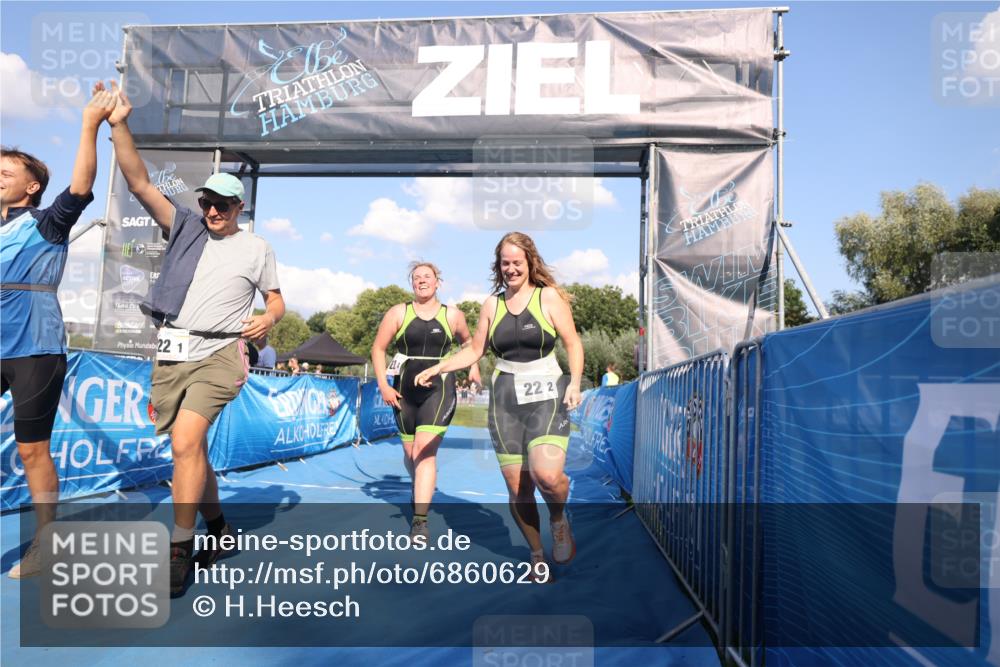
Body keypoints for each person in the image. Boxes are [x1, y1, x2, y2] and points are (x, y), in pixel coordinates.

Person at [102, 81, 284, 596]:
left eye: (222, 204)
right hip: (173, 349)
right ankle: (220, 529)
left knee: (184, 443)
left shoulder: (257, 248)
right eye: (207, 202)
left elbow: (276, 301)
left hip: (221, 353)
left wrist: (268, 318)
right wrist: (119, 124)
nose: (212, 211)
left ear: (239, 206)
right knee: (193, 450)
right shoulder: (184, 226)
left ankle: (180, 548)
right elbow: (139, 182)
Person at [415, 232, 583, 581]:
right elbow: (475, 350)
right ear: (498, 266)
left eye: (517, 262)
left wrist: (576, 382)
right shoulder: (492, 305)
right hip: (505, 398)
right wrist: (440, 366)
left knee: (547, 476)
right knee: (518, 487)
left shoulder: (548, 297)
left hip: (547, 392)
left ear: (529, 262)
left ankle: (558, 519)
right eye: (505, 263)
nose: (511, 269)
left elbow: (573, 342)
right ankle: (536, 557)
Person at [1, 87, 118, 578]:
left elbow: (82, 185)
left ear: (31, 187)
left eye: (5, 173)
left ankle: (46, 541)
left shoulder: (46, 223)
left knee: (32, 449)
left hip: (35, 349)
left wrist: (89, 123)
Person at [371, 261, 480, 538]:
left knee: (424, 451)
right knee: (411, 454)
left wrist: (474, 366)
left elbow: (469, 343)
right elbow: (379, 348)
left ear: (437, 282)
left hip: (439, 388)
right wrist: (383, 385)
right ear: (412, 283)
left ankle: (420, 520)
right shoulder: (398, 312)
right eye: (416, 277)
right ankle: (419, 485)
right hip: (403, 390)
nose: (421, 280)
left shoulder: (452, 315)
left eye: (427, 276)